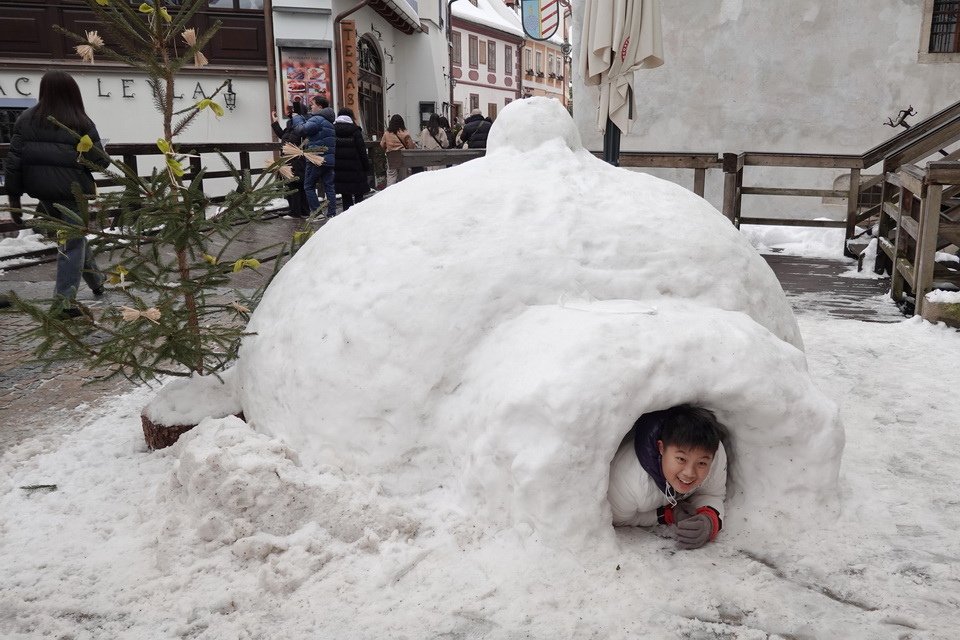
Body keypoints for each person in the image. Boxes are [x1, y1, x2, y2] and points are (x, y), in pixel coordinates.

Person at [4, 70, 109, 318]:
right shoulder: (80, 121)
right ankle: (63, 304)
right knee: (72, 243)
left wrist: (14, 201)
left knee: (75, 237)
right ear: (73, 92)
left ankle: (97, 282)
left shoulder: (25, 119)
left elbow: (13, 162)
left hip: (43, 192)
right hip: (72, 192)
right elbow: (101, 162)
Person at [607, 404, 728, 550]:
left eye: (701, 463)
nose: (689, 473)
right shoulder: (628, 480)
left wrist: (710, 520)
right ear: (661, 448)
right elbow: (619, 519)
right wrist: (667, 514)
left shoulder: (713, 452)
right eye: (681, 459)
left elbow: (712, 493)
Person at [294, 95, 337, 219]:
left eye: (312, 104)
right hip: (328, 160)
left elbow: (302, 130)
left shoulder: (317, 119)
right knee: (329, 187)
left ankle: (317, 213)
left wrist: (297, 118)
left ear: (319, 106)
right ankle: (332, 214)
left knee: (308, 186)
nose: (310, 107)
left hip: (315, 159)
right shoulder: (329, 121)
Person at [271, 102, 309, 218]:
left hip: (296, 158)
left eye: (291, 110)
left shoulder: (300, 124)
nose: (288, 111)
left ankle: (295, 212)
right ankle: (303, 211)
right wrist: (275, 122)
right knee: (297, 184)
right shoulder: (291, 123)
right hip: (292, 158)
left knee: (295, 184)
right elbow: (284, 136)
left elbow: (291, 140)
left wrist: (286, 145)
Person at [332, 107, 371, 212]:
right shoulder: (355, 130)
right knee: (359, 193)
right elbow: (362, 150)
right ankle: (358, 214)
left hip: (339, 168)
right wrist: (366, 167)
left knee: (346, 194)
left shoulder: (333, 130)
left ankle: (347, 215)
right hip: (355, 167)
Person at [379, 114, 416, 186]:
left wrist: (388, 149)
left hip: (391, 156)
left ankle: (389, 193)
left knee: (391, 177)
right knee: (403, 178)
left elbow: (382, 145)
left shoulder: (387, 133)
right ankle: (402, 193)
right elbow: (411, 147)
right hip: (403, 156)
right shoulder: (405, 133)